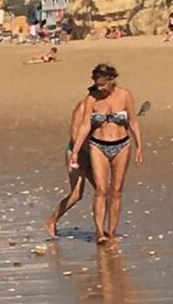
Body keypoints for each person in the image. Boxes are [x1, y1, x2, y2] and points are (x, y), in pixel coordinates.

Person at [68, 63, 144, 245]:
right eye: (96, 84)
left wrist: (140, 145)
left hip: (122, 145)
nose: (99, 87)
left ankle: (112, 232)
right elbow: (85, 125)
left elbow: (133, 121)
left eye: (102, 84)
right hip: (98, 146)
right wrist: (76, 151)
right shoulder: (91, 98)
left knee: (116, 191)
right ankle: (99, 232)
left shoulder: (125, 95)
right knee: (101, 190)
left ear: (111, 80)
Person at [45, 94, 94, 238]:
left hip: (95, 154)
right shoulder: (82, 107)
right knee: (76, 194)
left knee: (103, 192)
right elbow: (74, 134)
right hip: (77, 153)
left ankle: (104, 230)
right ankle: (51, 220)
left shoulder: (105, 107)